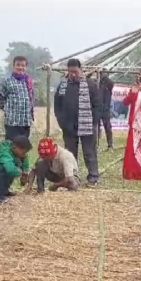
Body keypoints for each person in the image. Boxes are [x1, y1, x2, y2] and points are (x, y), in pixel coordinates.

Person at [54, 58, 102, 186]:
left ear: (81, 70)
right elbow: (57, 105)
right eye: (70, 72)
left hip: (87, 124)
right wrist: (61, 121)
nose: (73, 75)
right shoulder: (62, 85)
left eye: (75, 71)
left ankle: (93, 176)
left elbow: (97, 105)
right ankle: (72, 177)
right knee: (70, 153)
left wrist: (94, 122)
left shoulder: (90, 84)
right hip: (68, 125)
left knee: (89, 151)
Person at [0, 55, 35, 140]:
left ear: (26, 67)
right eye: (18, 65)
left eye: (23, 65)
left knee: (23, 149)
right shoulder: (7, 81)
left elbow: (31, 99)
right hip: (12, 122)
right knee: (11, 148)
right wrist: (7, 109)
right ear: (14, 66)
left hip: (25, 122)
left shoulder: (28, 81)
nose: (20, 67)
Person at [97, 68, 115, 151]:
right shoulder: (97, 83)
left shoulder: (109, 84)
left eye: (105, 73)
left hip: (106, 109)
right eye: (102, 73)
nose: (103, 75)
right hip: (97, 108)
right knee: (96, 128)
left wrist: (104, 75)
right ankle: (96, 145)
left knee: (107, 127)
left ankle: (110, 145)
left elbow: (111, 83)